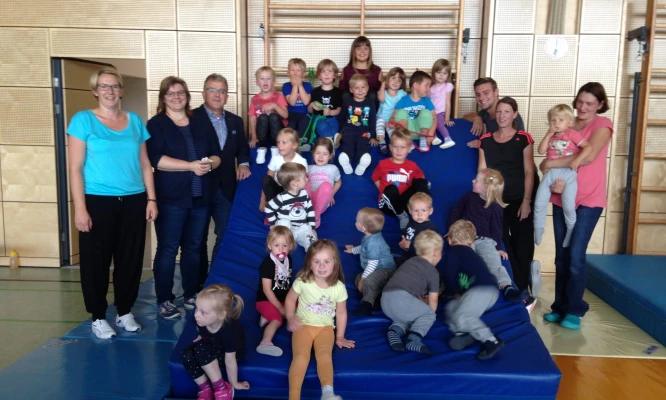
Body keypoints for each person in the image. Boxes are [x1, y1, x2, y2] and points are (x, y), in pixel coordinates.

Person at [68, 68, 157, 339]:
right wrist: (80, 208)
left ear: (121, 90)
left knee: (130, 259)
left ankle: (124, 311)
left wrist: (151, 198)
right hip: (98, 201)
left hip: (133, 200)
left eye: (115, 86)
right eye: (104, 86)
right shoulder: (83, 120)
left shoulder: (134, 121)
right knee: (96, 261)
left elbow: (145, 164)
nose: (110, 91)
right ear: (95, 91)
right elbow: (75, 168)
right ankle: (98, 315)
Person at [147, 76, 222, 320]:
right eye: (171, 93)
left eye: (180, 92)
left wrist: (208, 164)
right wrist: (190, 166)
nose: (176, 97)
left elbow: (217, 155)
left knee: (193, 248)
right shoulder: (156, 124)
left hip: (200, 197)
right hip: (171, 198)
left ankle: (191, 294)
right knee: (168, 249)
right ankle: (165, 299)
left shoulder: (200, 122)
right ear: (163, 98)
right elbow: (156, 159)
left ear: (187, 96)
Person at [541, 82, 614, 330]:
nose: (583, 107)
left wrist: (550, 165)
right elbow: (549, 153)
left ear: (600, 104)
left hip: (589, 199)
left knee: (575, 255)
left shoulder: (602, 124)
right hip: (561, 196)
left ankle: (574, 310)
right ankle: (560, 307)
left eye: (589, 103)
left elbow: (589, 156)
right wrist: (550, 170)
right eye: (580, 101)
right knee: (561, 256)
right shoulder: (566, 123)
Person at [478, 97, 540, 303]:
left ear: (514, 114)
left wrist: (526, 201)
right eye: (499, 111)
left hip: (519, 198)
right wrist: (486, 199)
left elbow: (529, 171)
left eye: (506, 111)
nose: (502, 116)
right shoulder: (485, 140)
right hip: (496, 202)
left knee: (523, 243)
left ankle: (525, 288)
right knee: (502, 244)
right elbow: (482, 171)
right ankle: (513, 286)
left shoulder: (523, 138)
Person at [193, 73, 251, 287]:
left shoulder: (235, 120)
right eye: (212, 90)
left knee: (225, 235)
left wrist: (243, 163)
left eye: (222, 91)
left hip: (226, 188)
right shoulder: (191, 118)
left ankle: (214, 282)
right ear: (203, 93)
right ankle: (197, 284)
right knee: (196, 238)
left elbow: (242, 147)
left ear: (227, 96)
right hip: (198, 187)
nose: (217, 95)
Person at [286, 240, 355, 400]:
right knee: (301, 357)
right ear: (310, 263)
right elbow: (290, 299)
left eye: (326, 261)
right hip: (303, 326)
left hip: (325, 328)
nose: (321, 266)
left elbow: (341, 312)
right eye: (317, 261)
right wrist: (290, 317)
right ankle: (294, 396)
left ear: (334, 263)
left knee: (324, 356)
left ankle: (327, 392)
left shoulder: (338, 287)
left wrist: (340, 336)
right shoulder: (303, 281)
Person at [448, 169, 527, 303]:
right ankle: (464, 288)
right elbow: (456, 210)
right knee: (466, 260)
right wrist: (452, 230)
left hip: (485, 240)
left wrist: (497, 247)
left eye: (476, 180)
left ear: (486, 188)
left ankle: (507, 288)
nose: (473, 181)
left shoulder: (495, 207)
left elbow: (496, 229)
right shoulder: (470, 196)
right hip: (465, 237)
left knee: (493, 263)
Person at [442, 220, 504, 360]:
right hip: (488, 290)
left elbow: (449, 276)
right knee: (451, 308)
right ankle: (463, 334)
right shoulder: (472, 254)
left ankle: (491, 340)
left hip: (480, 290)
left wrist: (450, 292)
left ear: (449, 240)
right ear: (472, 244)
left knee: (463, 316)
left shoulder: (453, 253)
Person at [534, 104, 592, 247]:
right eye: (553, 120)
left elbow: (588, 147)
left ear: (569, 122)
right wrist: (548, 134)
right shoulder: (550, 136)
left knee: (569, 207)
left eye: (561, 120)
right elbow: (540, 151)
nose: (556, 123)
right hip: (550, 173)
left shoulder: (572, 134)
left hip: (568, 174)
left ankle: (570, 229)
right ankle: (538, 228)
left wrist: (577, 160)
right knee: (539, 203)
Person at [180, 284, 249, 399]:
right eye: (197, 308)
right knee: (185, 354)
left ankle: (222, 388)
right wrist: (202, 335)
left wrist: (234, 383)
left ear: (221, 315)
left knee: (201, 348)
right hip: (211, 348)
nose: (196, 314)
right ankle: (206, 389)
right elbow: (200, 329)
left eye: (203, 312)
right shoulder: (200, 319)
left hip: (228, 355)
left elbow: (230, 360)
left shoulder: (230, 330)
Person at [381, 230, 442, 355]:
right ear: (436, 252)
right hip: (402, 300)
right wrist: (429, 315)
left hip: (385, 301)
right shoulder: (433, 272)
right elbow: (433, 300)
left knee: (408, 315)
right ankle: (414, 339)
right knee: (427, 314)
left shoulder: (410, 261)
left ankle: (395, 331)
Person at [372, 127, 429, 231]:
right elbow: (376, 178)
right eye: (396, 147)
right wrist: (383, 191)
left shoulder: (412, 165)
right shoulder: (383, 164)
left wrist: (423, 186)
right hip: (388, 204)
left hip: (406, 203)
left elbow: (421, 178)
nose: (399, 150)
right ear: (390, 147)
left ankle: (424, 210)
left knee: (421, 182)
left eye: (403, 147)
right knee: (391, 189)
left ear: (409, 149)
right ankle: (402, 216)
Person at [344, 208, 396, 316]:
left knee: (366, 281)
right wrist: (352, 250)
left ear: (363, 228)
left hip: (385, 270)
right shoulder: (369, 237)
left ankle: (366, 306)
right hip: (376, 271)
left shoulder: (374, 242)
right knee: (358, 279)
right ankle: (375, 298)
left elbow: (373, 263)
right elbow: (363, 247)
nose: (355, 222)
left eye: (357, 221)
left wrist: (364, 279)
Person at [256, 226, 295, 357]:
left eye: (285, 245)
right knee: (277, 319)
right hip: (266, 300)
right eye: (276, 245)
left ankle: (266, 317)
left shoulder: (288, 259)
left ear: (291, 246)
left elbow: (287, 280)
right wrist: (280, 307)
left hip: (282, 298)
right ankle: (265, 342)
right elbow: (267, 290)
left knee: (300, 304)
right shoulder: (267, 265)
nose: (281, 249)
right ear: (269, 246)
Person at [264, 163, 317, 252]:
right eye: (304, 177)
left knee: (312, 241)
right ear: (295, 183)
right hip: (287, 230)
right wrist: (273, 224)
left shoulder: (304, 193)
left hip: (302, 228)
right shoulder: (282, 198)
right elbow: (268, 208)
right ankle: (282, 247)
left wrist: (312, 228)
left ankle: (312, 252)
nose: (307, 179)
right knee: (284, 222)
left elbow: (310, 210)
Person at [463, 77, 526, 148]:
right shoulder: (485, 113)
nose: (481, 98)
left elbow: (516, 147)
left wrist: (485, 145)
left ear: (496, 92)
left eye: (486, 93)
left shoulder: (511, 117)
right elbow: (465, 117)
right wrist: (477, 118)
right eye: (478, 95)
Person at [259, 128, 308, 212]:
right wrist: (263, 200)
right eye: (278, 142)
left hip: (292, 191)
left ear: (294, 145)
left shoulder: (301, 161)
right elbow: (268, 179)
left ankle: (287, 206)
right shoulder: (275, 158)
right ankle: (273, 206)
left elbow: (304, 184)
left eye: (284, 142)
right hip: (277, 190)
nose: (280, 145)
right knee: (266, 179)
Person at [338, 73, 377, 176]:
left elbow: (373, 119)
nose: (360, 90)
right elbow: (342, 117)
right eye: (356, 88)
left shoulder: (370, 102)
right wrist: (340, 131)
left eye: (363, 87)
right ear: (351, 90)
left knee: (363, 143)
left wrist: (373, 136)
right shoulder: (347, 102)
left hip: (364, 130)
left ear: (367, 88)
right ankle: (346, 159)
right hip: (348, 129)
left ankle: (363, 160)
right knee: (347, 143)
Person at [249, 66, 288, 164]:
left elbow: (286, 115)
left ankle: (275, 147)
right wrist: (254, 137)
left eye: (268, 78)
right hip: (263, 132)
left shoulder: (279, 96)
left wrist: (275, 106)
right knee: (262, 117)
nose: (265, 81)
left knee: (273, 116)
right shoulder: (254, 99)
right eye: (262, 78)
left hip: (277, 132)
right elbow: (253, 118)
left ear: (273, 82)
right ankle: (262, 148)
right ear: (257, 82)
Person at [390, 71, 438, 152]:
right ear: (415, 86)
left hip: (421, 131)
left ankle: (423, 140)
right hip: (408, 131)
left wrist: (430, 133)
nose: (428, 89)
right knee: (401, 112)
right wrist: (391, 123)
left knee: (426, 112)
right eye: (426, 85)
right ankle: (407, 140)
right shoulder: (404, 100)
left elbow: (434, 118)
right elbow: (393, 116)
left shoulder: (427, 100)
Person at [305, 59, 343, 151]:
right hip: (318, 118)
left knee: (335, 129)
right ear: (319, 76)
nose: (326, 74)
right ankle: (332, 141)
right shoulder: (315, 91)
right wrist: (311, 105)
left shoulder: (338, 92)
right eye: (323, 71)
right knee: (322, 126)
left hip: (332, 118)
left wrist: (330, 112)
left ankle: (331, 140)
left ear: (335, 75)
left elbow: (339, 110)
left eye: (330, 71)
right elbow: (309, 111)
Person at [306, 138, 342, 228]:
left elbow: (338, 182)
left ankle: (316, 215)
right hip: (307, 198)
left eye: (325, 154)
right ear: (313, 153)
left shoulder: (333, 168)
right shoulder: (308, 167)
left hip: (322, 200)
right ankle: (305, 209)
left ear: (330, 155)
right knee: (303, 180)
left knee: (327, 186)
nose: (321, 157)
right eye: (318, 153)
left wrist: (331, 194)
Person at [398, 192, 438, 264]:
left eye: (424, 210)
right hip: (408, 257)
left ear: (430, 211)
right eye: (416, 211)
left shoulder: (430, 228)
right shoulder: (411, 222)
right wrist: (403, 241)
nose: (419, 214)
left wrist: (410, 245)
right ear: (410, 210)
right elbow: (407, 234)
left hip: (421, 262)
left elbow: (428, 248)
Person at [376, 67, 407, 155]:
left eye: (399, 80)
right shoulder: (383, 92)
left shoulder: (402, 93)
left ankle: (394, 145)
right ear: (387, 79)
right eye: (393, 78)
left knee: (393, 132)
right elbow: (381, 99)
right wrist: (383, 84)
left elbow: (405, 104)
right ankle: (382, 142)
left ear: (401, 83)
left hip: (392, 120)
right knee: (379, 127)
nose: (395, 82)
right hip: (381, 118)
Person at [429, 58, 456, 149]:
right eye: (439, 72)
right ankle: (434, 137)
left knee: (438, 123)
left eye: (444, 73)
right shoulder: (430, 86)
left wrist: (447, 119)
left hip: (440, 112)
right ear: (434, 73)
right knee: (427, 123)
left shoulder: (447, 86)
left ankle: (448, 139)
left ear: (448, 75)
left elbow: (448, 103)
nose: (441, 75)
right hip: (430, 112)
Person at [283, 58, 312, 137]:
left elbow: (306, 102)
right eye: (292, 70)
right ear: (288, 73)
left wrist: (300, 85)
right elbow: (292, 102)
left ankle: (303, 140)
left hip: (304, 114)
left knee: (304, 123)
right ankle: (289, 141)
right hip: (291, 114)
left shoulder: (307, 85)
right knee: (290, 127)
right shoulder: (286, 86)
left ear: (304, 74)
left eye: (298, 70)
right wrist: (295, 86)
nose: (295, 73)